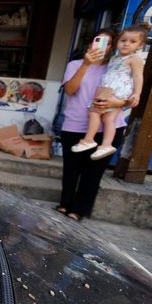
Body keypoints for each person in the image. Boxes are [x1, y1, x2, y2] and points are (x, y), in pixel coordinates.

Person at [55, 28, 128, 222]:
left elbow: (129, 97)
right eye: (97, 41)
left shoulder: (116, 68)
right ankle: (65, 203)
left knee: (93, 174)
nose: (101, 46)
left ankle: (79, 210)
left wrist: (116, 103)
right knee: (71, 170)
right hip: (74, 126)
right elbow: (70, 90)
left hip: (108, 129)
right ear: (90, 43)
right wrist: (86, 64)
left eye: (108, 43)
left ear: (112, 47)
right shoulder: (75, 64)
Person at [71, 24, 149, 160]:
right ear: (117, 42)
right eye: (123, 40)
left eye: (132, 42)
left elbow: (138, 76)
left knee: (94, 112)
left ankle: (89, 139)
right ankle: (105, 145)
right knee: (108, 118)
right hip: (108, 89)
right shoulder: (114, 58)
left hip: (116, 91)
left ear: (140, 45)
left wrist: (137, 93)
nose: (126, 44)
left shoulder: (134, 59)